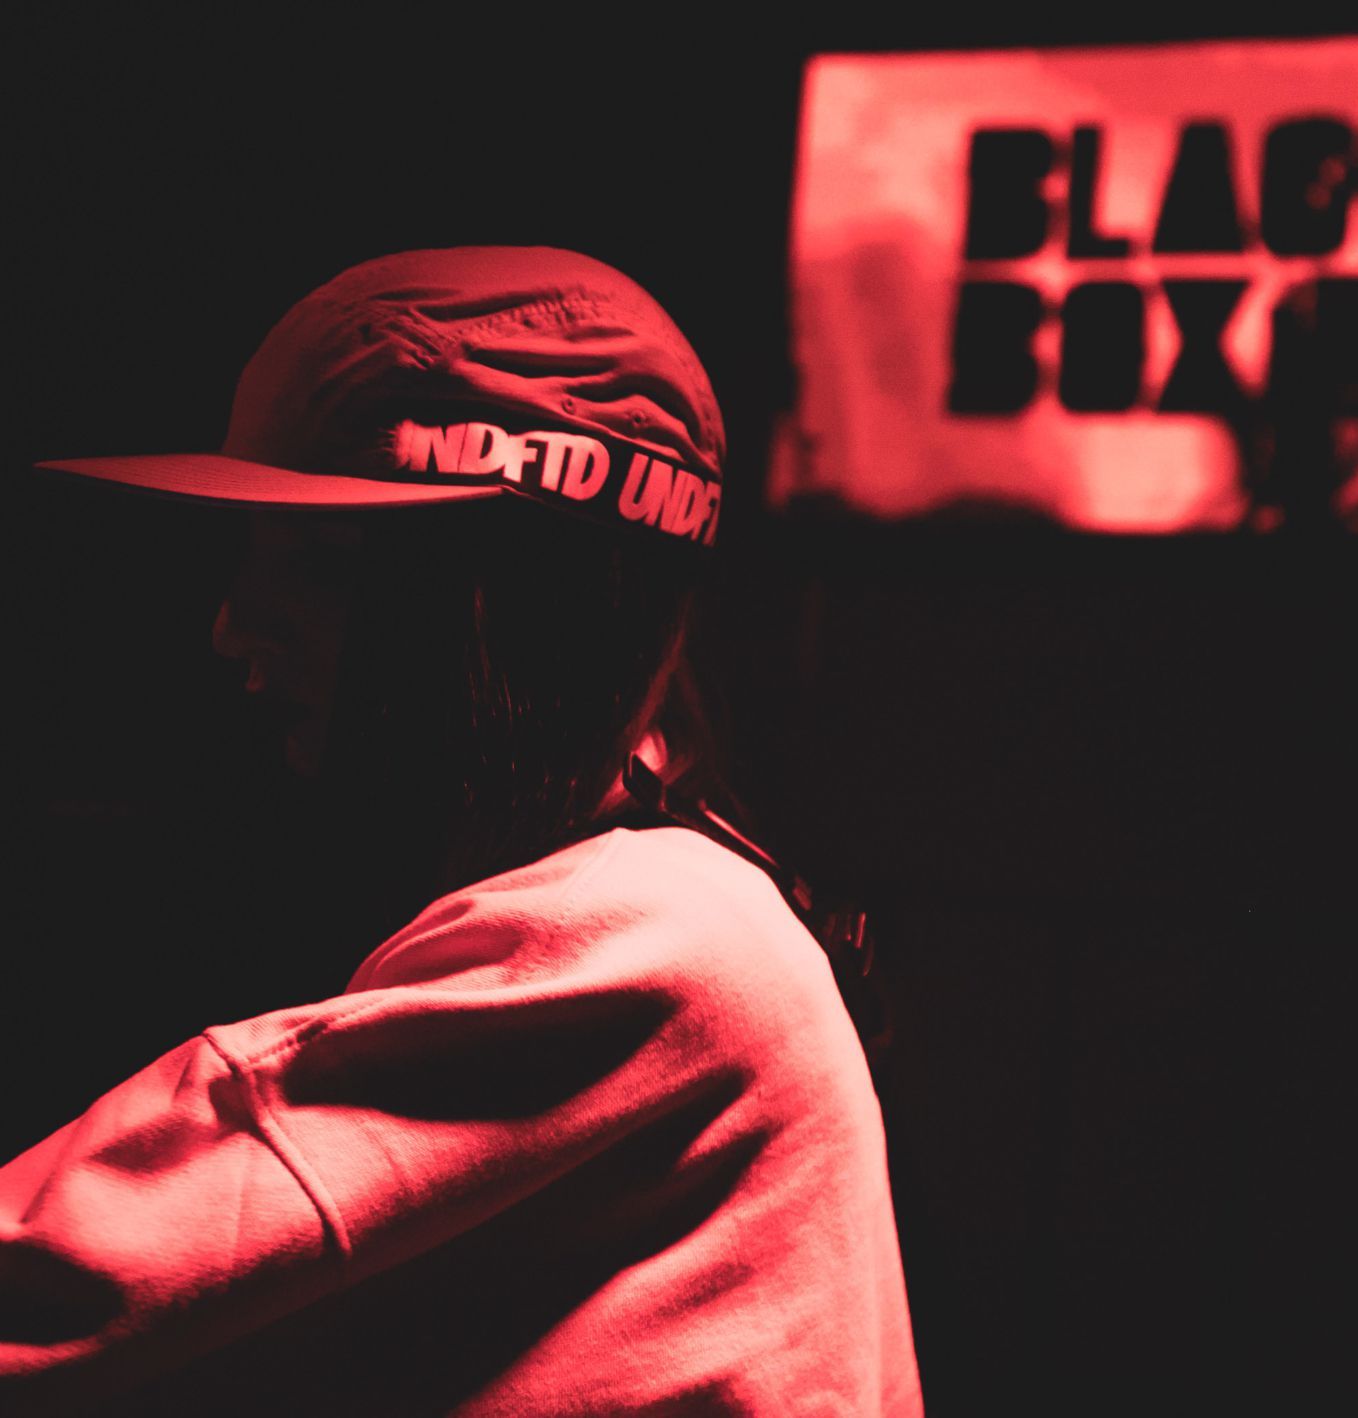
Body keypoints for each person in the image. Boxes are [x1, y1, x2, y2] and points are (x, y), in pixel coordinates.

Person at [0, 246, 923, 1416]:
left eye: (319, 562)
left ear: (516, 604)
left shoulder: (647, 941)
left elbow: (51, 1281)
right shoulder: (683, 897)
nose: (236, 623)